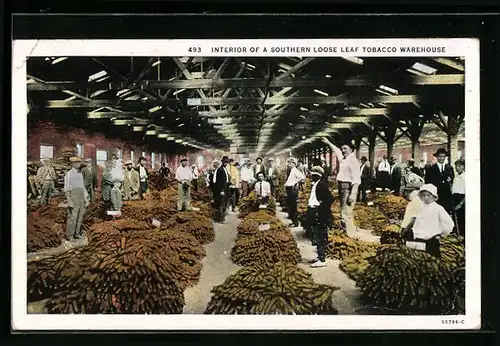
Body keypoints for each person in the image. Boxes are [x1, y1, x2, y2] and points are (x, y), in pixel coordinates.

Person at [402, 184, 454, 258]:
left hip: (430, 241)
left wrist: (441, 234)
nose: (426, 197)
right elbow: (415, 219)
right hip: (418, 239)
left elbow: (449, 224)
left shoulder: (438, 208)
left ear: (434, 196)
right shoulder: (420, 206)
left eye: (428, 195)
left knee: (431, 261)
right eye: (424, 195)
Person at [322, 137, 361, 236]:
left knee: (345, 212)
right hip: (342, 187)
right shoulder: (344, 159)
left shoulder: (353, 161)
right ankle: (351, 231)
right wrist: (329, 143)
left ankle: (349, 234)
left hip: (348, 188)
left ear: (351, 149)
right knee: (347, 211)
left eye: (345, 149)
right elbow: (337, 151)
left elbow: (356, 179)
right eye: (342, 148)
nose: (343, 150)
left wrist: (353, 194)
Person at [306, 166, 334, 268]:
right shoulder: (316, 184)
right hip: (315, 212)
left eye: (313, 175)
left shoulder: (321, 185)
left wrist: (320, 206)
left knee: (321, 236)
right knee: (317, 235)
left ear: (317, 175)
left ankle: (322, 259)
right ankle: (319, 256)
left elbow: (330, 198)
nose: (311, 176)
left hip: (320, 214)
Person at [64, 156, 89, 241]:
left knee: (80, 215)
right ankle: (70, 235)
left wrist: (86, 198)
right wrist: (69, 200)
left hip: (81, 195)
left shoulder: (80, 174)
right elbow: (66, 189)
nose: (78, 164)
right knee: (73, 216)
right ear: (72, 164)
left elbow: (82, 187)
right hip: (73, 196)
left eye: (79, 162)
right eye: (76, 163)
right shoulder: (69, 174)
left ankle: (77, 233)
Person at [424, 148, 454, 213]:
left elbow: (452, 179)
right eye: (440, 156)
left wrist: (450, 180)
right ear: (437, 157)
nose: (441, 158)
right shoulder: (431, 169)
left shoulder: (449, 168)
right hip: (436, 195)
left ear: (445, 157)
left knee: (446, 213)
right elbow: (427, 182)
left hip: (447, 196)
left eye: (443, 156)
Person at [284, 158, 306, 228]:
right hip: (290, 190)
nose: (289, 165)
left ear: (294, 163)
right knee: (291, 206)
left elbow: (303, 177)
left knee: (293, 206)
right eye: (288, 163)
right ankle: (293, 221)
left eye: (290, 163)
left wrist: (295, 183)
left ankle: (295, 222)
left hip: (292, 190)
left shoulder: (295, 170)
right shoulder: (291, 170)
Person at [212, 156, 230, 223]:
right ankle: (221, 219)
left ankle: (222, 217)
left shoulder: (225, 169)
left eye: (227, 162)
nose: (226, 163)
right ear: (222, 162)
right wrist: (221, 190)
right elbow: (219, 181)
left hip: (226, 187)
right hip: (222, 188)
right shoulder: (220, 170)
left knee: (225, 203)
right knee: (222, 204)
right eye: (225, 162)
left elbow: (226, 179)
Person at [451, 159, 465, 237]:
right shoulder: (457, 177)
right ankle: (457, 233)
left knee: (461, 218)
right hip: (455, 198)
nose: (457, 168)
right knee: (455, 217)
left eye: (459, 166)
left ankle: (462, 234)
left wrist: (460, 204)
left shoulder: (465, 177)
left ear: (463, 167)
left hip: (461, 198)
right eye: (456, 166)